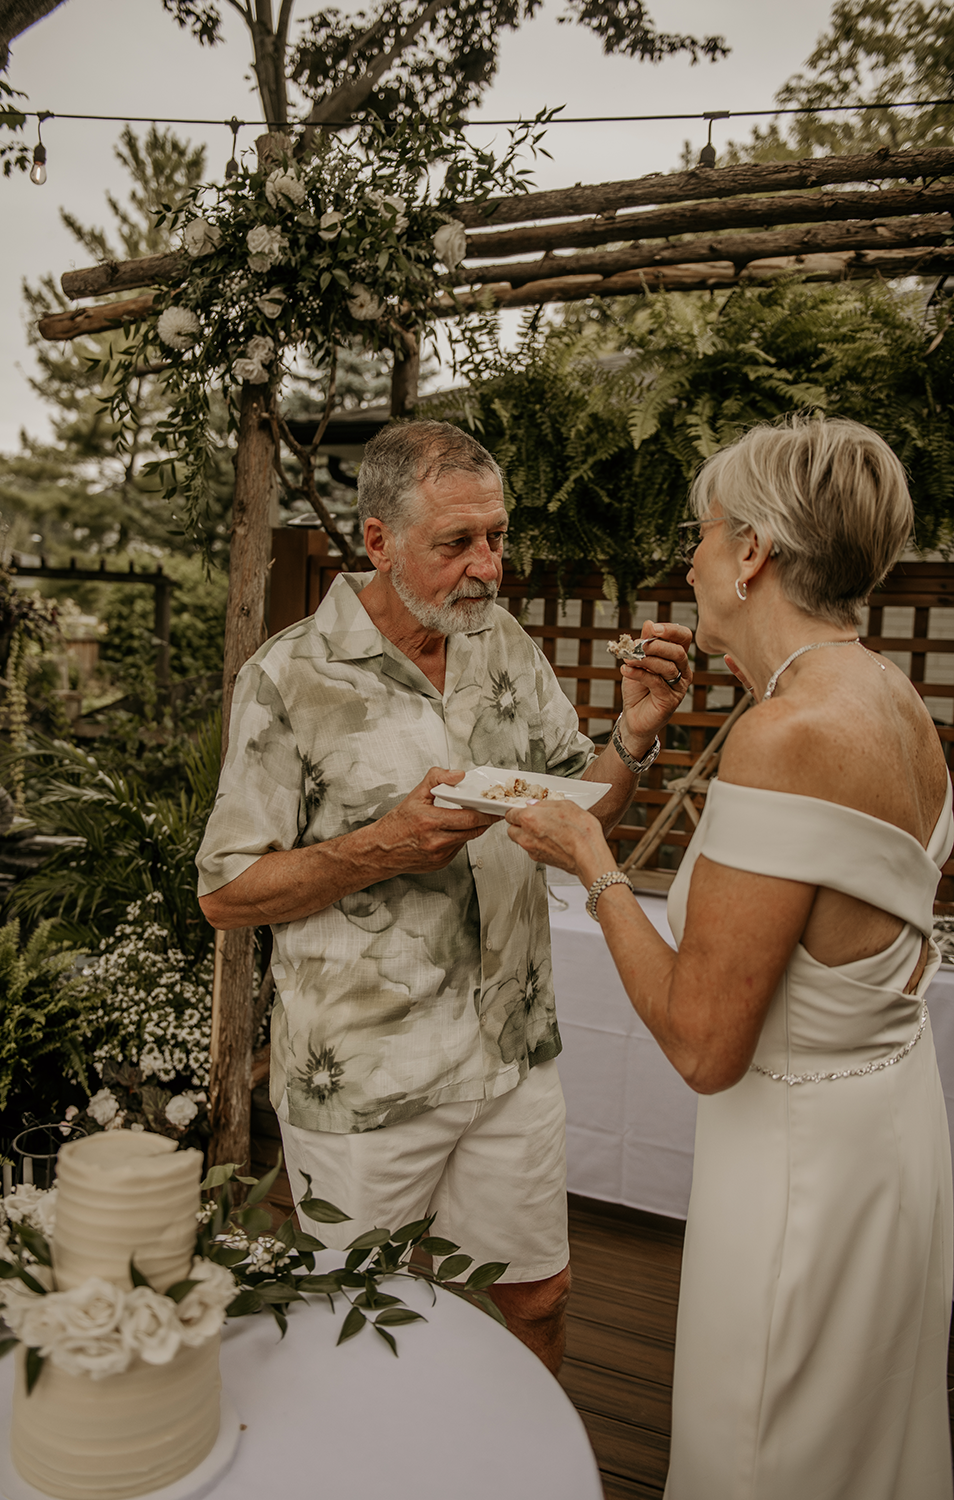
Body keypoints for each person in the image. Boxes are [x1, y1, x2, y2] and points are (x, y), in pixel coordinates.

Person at [503, 416, 954, 1495]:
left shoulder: (787, 734)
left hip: (798, 1164)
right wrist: (642, 726)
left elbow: (706, 1048)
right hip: (889, 1140)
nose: (689, 560)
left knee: (762, 1449)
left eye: (700, 535)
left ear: (751, 552)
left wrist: (590, 857)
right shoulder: (890, 699)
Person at [196, 419, 691, 1373]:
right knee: (359, 1331)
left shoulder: (500, 643)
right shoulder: (288, 676)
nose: (488, 568)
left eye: (497, 538)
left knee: (538, 1298)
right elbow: (226, 892)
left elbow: (579, 803)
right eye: (457, 543)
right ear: (377, 541)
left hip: (510, 1058)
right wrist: (381, 845)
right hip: (368, 1077)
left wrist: (631, 736)